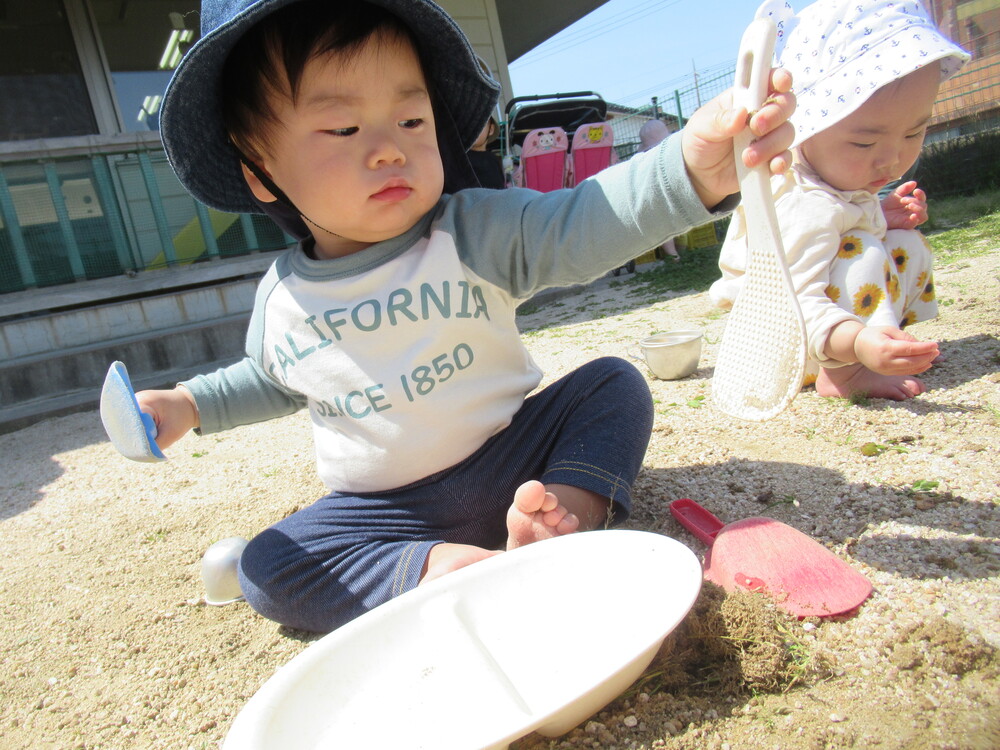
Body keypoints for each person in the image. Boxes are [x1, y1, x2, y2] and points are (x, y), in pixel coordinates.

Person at [140, 0, 794, 633]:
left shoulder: (472, 230)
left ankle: (561, 514)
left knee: (611, 387)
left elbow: (581, 221)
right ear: (260, 171)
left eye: (411, 121)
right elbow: (273, 377)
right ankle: (432, 569)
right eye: (343, 129)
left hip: (515, 454)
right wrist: (188, 405)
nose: (389, 149)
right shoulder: (285, 298)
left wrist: (688, 172)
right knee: (267, 566)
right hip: (384, 511)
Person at [711, 0, 970, 401]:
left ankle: (887, 343)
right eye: (865, 141)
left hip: (825, 326)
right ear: (802, 128)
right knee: (861, 249)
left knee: (904, 246)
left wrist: (881, 216)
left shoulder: (839, 185)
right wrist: (856, 344)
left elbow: (840, 226)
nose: (893, 158)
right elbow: (793, 304)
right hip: (787, 341)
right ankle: (847, 374)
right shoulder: (802, 203)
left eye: (912, 133)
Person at [639, 118, 680, 259]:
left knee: (665, 222)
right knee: (666, 222)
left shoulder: (643, 159)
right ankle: (673, 254)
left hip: (655, 201)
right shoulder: (668, 155)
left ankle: (673, 253)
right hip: (659, 202)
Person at [467, 116, 506, 189]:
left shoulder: (493, 160)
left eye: (480, 124)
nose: (474, 129)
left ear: (491, 129)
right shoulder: (460, 158)